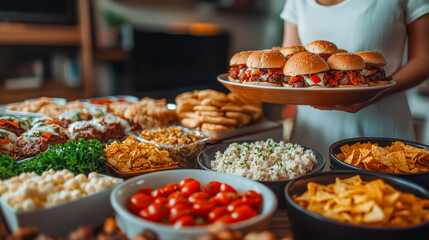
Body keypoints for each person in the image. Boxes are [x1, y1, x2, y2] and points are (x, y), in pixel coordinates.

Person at [280, 0, 429, 157]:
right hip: (312, 129)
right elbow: (291, 61)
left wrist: (378, 92)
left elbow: (424, 58)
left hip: (382, 125)